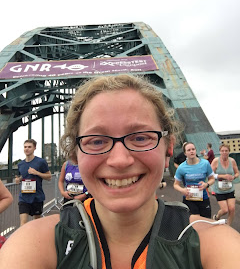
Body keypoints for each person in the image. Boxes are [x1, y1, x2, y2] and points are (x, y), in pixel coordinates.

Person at [1, 75, 240, 268]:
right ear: (75, 154)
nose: (119, 160)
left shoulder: (212, 244)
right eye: (96, 141)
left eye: (140, 137)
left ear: (168, 146)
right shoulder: (34, 244)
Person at [15, 139, 51, 226]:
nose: (27, 149)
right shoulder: (20, 164)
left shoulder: (40, 162)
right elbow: (23, 176)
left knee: (36, 223)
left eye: (29, 147)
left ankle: (37, 238)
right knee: (23, 223)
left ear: (34, 148)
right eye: (25, 147)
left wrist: (36, 173)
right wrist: (18, 179)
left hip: (37, 197)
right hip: (23, 197)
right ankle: (24, 239)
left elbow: (49, 177)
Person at [173, 142, 215, 218]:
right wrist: (182, 190)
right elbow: (176, 184)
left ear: (195, 150)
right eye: (189, 150)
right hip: (189, 198)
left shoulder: (205, 164)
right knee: (194, 221)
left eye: (193, 149)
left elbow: (212, 179)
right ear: (185, 153)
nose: (191, 151)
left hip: (203, 197)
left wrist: (206, 184)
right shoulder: (182, 167)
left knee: (206, 221)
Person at [211, 144, 239, 226]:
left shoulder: (232, 161)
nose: (224, 152)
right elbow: (210, 174)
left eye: (226, 151)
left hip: (229, 188)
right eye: (222, 151)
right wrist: (223, 176)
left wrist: (234, 177)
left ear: (229, 151)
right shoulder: (216, 161)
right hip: (219, 189)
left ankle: (228, 226)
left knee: (232, 208)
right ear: (220, 152)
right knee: (225, 210)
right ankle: (217, 217)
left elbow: (237, 172)